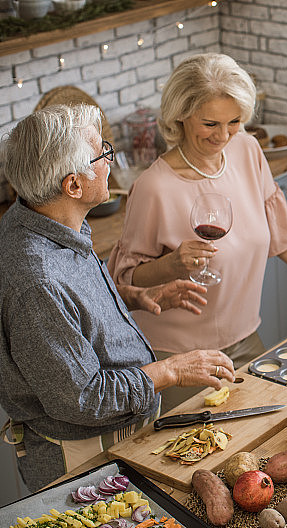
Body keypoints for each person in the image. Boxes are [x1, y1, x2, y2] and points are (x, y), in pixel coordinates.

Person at [108, 54, 287, 409]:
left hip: (245, 339)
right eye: (210, 123)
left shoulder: (246, 151)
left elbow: (283, 237)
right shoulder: (154, 187)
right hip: (179, 357)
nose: (223, 135)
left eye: (234, 121)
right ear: (180, 115)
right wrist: (173, 266)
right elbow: (124, 281)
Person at [0, 104, 236, 491]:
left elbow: (68, 314)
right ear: (73, 185)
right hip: (81, 457)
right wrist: (170, 371)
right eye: (102, 154)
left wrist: (132, 296)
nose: (110, 162)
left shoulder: (42, 218)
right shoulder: (37, 281)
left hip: (110, 439)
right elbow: (84, 399)